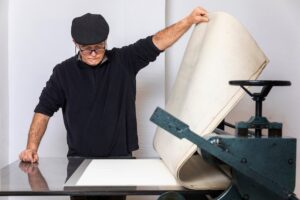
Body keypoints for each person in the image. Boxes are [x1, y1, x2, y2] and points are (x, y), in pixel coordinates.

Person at [19, 7, 208, 165]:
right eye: (86, 48)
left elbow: (157, 42)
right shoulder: (62, 72)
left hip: (120, 159)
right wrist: (31, 148)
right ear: (75, 43)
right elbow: (43, 111)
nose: (93, 53)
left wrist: (189, 20)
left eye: (98, 47)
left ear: (105, 42)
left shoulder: (125, 61)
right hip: (79, 161)